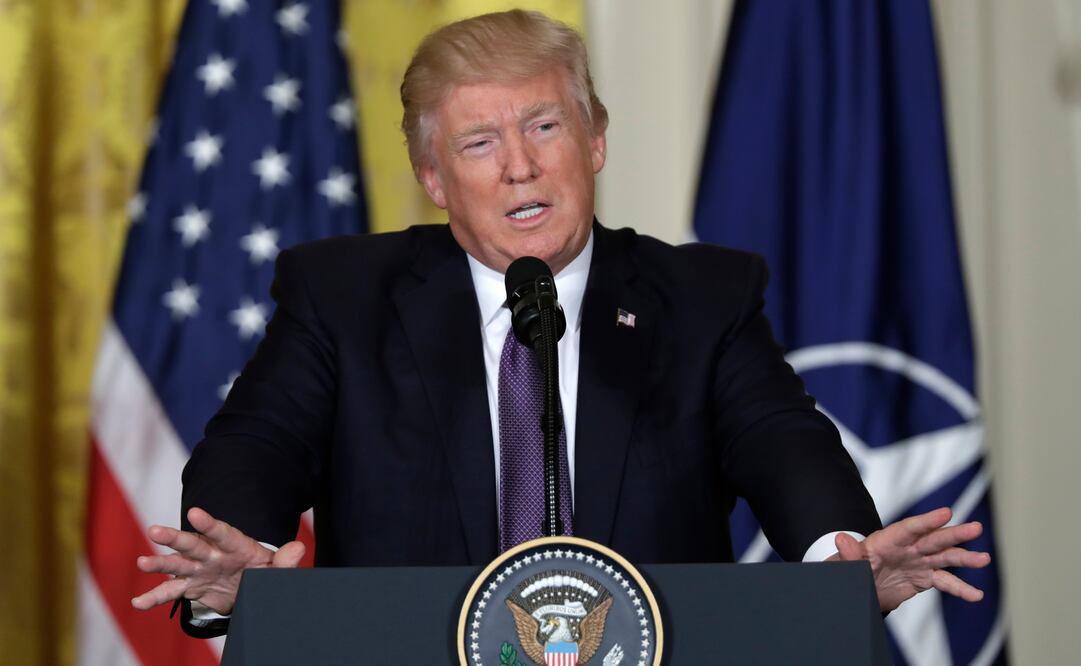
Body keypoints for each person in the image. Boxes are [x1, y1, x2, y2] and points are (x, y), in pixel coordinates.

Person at [132, 10, 990, 637]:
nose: (519, 167)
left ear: (594, 142)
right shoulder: (341, 294)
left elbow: (782, 440)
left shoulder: (701, 296)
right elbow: (260, 442)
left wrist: (837, 559)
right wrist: (238, 553)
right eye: (478, 144)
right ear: (433, 176)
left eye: (545, 125)